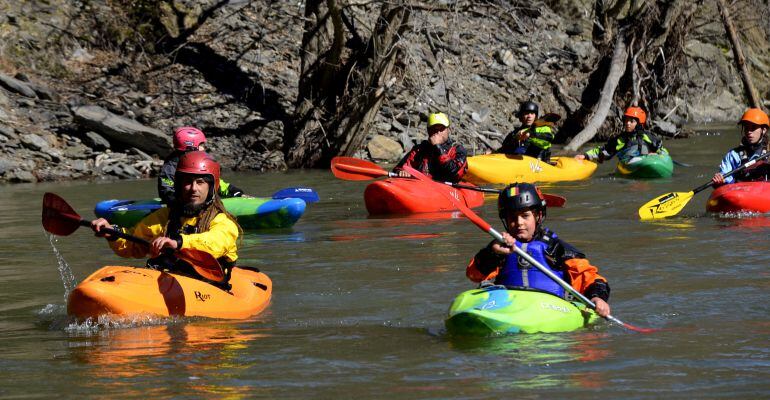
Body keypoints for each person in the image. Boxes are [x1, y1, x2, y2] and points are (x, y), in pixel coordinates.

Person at [93, 151, 241, 289]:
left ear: (211, 187)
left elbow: (215, 243)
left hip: (208, 286)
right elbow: (133, 245)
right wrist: (112, 233)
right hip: (168, 280)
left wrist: (178, 242)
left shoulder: (222, 221)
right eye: (187, 182)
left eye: (200, 182)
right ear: (178, 185)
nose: (193, 188)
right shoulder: (164, 216)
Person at [465, 183, 611, 317]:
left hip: (550, 309)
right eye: (512, 218)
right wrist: (492, 253)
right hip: (509, 308)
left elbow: (591, 278)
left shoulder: (555, 248)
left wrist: (597, 297)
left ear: (538, 216)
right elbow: (473, 275)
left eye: (525, 216)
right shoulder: (499, 247)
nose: (519, 223)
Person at [158, 126, 245, 205]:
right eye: (201, 145)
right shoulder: (170, 168)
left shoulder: (199, 163)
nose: (203, 148)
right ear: (190, 147)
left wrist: (235, 192)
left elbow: (215, 182)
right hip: (182, 207)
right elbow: (166, 192)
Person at [393, 112, 468, 183]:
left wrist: (437, 147)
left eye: (441, 129)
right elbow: (399, 168)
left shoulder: (458, 149)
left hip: (446, 188)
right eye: (434, 129)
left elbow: (453, 172)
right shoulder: (419, 149)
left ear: (448, 130)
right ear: (429, 131)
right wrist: (401, 171)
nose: (438, 132)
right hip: (422, 186)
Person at [575, 107, 665, 163]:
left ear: (639, 124)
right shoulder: (620, 140)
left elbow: (662, 151)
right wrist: (585, 156)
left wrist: (657, 155)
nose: (627, 123)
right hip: (629, 165)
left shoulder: (648, 137)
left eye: (631, 121)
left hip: (647, 162)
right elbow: (604, 150)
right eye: (626, 120)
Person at [712, 108, 770, 185]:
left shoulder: (768, 153)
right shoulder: (734, 155)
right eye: (746, 128)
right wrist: (720, 180)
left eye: (753, 127)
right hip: (741, 193)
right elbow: (726, 180)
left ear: (764, 130)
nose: (749, 132)